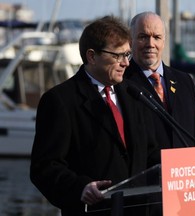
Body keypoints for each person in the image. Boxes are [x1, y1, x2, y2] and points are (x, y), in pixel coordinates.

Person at [30, 15, 159, 216]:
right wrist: (80, 188)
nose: (126, 63)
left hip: (137, 209)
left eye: (127, 54)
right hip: (93, 210)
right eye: (118, 55)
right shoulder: (60, 100)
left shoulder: (134, 94)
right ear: (92, 56)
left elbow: (151, 154)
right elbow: (45, 168)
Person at [125, 11, 195, 149]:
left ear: (164, 42)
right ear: (131, 41)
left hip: (185, 168)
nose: (150, 44)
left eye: (157, 37)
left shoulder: (185, 81)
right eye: (143, 37)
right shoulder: (121, 83)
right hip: (149, 170)